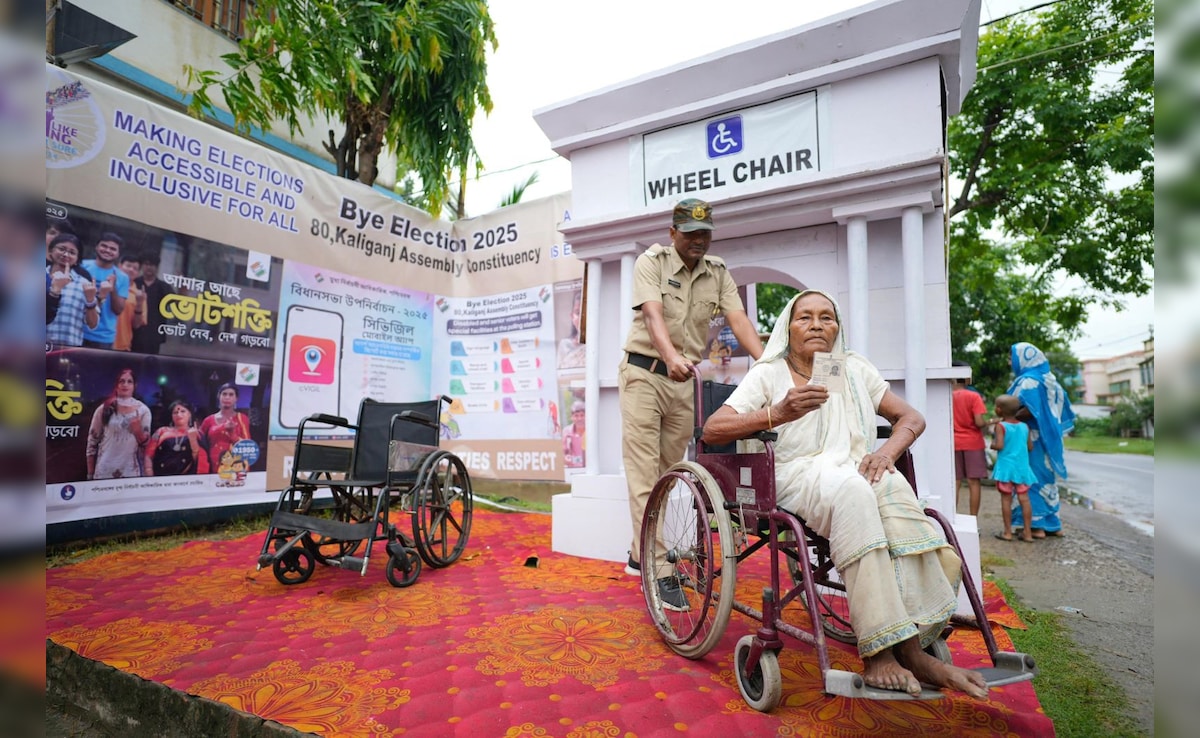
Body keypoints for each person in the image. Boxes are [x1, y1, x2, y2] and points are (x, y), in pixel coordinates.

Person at [702, 290, 988, 699]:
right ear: (788, 326)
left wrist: (885, 453)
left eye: (826, 317)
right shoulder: (770, 372)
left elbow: (910, 417)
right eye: (805, 317)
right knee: (855, 490)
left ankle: (911, 648)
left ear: (838, 328)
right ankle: (878, 654)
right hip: (795, 472)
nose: (817, 325)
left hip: (851, 467)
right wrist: (777, 413)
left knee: (892, 487)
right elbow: (713, 429)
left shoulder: (847, 369)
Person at [619, 198, 764, 609]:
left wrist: (770, 366)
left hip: (686, 384)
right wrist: (669, 356)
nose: (699, 240)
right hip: (645, 375)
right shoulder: (652, 261)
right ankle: (659, 570)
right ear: (673, 233)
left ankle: (639, 549)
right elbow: (652, 316)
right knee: (645, 476)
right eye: (690, 233)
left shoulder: (717, 272)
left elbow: (739, 321)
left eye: (705, 233)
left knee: (668, 475)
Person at [1006, 342, 1075, 538]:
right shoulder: (1051, 380)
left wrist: (1009, 418)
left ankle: (1036, 527)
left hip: (1031, 439)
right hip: (1050, 440)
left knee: (1030, 480)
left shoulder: (1028, 381)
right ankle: (1053, 524)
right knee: (1047, 480)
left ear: (1023, 358)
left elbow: (1023, 408)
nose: (1011, 362)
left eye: (1013, 358)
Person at [86, 367, 151, 480]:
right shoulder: (104, 408)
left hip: (130, 472)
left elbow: (145, 445)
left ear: (134, 385)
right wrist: (90, 474)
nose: (125, 384)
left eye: (129, 381)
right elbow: (92, 442)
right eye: (121, 381)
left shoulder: (142, 410)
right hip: (104, 471)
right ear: (116, 385)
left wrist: (137, 430)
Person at [991, 394, 1036, 543]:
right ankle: (1028, 533)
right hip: (1022, 469)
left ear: (999, 410)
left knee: (1006, 499)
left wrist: (992, 444)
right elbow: (1030, 447)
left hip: (1006, 469)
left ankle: (1008, 532)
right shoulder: (1024, 426)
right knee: (1025, 499)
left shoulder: (1001, 426)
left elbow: (999, 445)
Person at [46, 233, 99, 346]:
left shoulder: (84, 284)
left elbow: (92, 324)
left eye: (72, 252)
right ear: (50, 251)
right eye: (62, 249)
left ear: (77, 259)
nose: (66, 254)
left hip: (68, 351)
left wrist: (90, 300)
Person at [951, 363, 990, 516]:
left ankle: (952, 519)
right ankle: (973, 520)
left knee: (955, 482)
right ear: (966, 378)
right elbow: (979, 422)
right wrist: (989, 422)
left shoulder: (945, 396)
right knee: (974, 483)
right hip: (973, 443)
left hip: (953, 443)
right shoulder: (973, 396)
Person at [80, 232, 130, 349]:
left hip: (103, 337)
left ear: (118, 254)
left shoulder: (122, 277)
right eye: (104, 246)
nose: (107, 250)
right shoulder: (82, 266)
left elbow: (118, 310)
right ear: (96, 247)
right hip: (77, 330)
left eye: (113, 249)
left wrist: (112, 290)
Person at [144, 400, 209, 476]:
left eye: (183, 411)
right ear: (171, 416)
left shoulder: (197, 433)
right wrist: (149, 473)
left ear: (189, 414)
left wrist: (193, 440)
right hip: (161, 479)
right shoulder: (161, 432)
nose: (179, 414)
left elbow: (199, 461)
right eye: (175, 412)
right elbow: (148, 455)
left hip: (187, 480)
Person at [199, 383, 251, 476]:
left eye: (231, 395)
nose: (227, 397)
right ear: (219, 396)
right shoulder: (208, 420)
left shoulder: (242, 418)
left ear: (236, 398)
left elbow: (248, 447)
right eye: (224, 394)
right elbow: (201, 445)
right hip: (212, 469)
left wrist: (233, 435)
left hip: (235, 469)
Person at [130, 252, 174, 355]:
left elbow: (177, 304)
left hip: (154, 333)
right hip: (134, 331)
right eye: (146, 264)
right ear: (142, 266)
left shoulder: (164, 287)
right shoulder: (134, 283)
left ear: (157, 267)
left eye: (152, 265)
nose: (149, 267)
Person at [113, 253, 146, 351]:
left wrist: (139, 304)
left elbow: (136, 325)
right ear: (119, 266)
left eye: (135, 268)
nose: (131, 270)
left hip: (122, 346)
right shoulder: (107, 284)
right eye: (128, 266)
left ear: (138, 273)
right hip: (98, 340)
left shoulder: (139, 294)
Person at [557, 289, 586, 370]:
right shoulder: (565, 345)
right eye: (577, 313)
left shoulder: (599, 343)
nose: (582, 317)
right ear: (572, 316)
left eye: (586, 312)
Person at [563, 400, 585, 468]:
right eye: (576, 416)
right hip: (573, 469)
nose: (579, 419)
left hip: (590, 470)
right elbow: (563, 453)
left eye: (582, 415)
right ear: (571, 417)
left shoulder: (592, 431)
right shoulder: (567, 431)